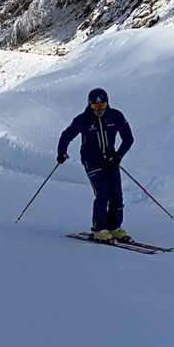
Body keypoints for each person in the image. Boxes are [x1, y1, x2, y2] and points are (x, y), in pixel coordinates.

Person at [56, 88, 137, 241]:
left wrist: (118, 155)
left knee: (117, 195)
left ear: (107, 104)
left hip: (110, 160)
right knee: (103, 193)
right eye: (95, 107)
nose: (99, 110)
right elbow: (66, 135)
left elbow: (128, 138)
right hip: (91, 160)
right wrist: (61, 152)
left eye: (102, 106)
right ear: (90, 105)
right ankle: (98, 229)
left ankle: (113, 227)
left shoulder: (116, 116)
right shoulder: (83, 120)